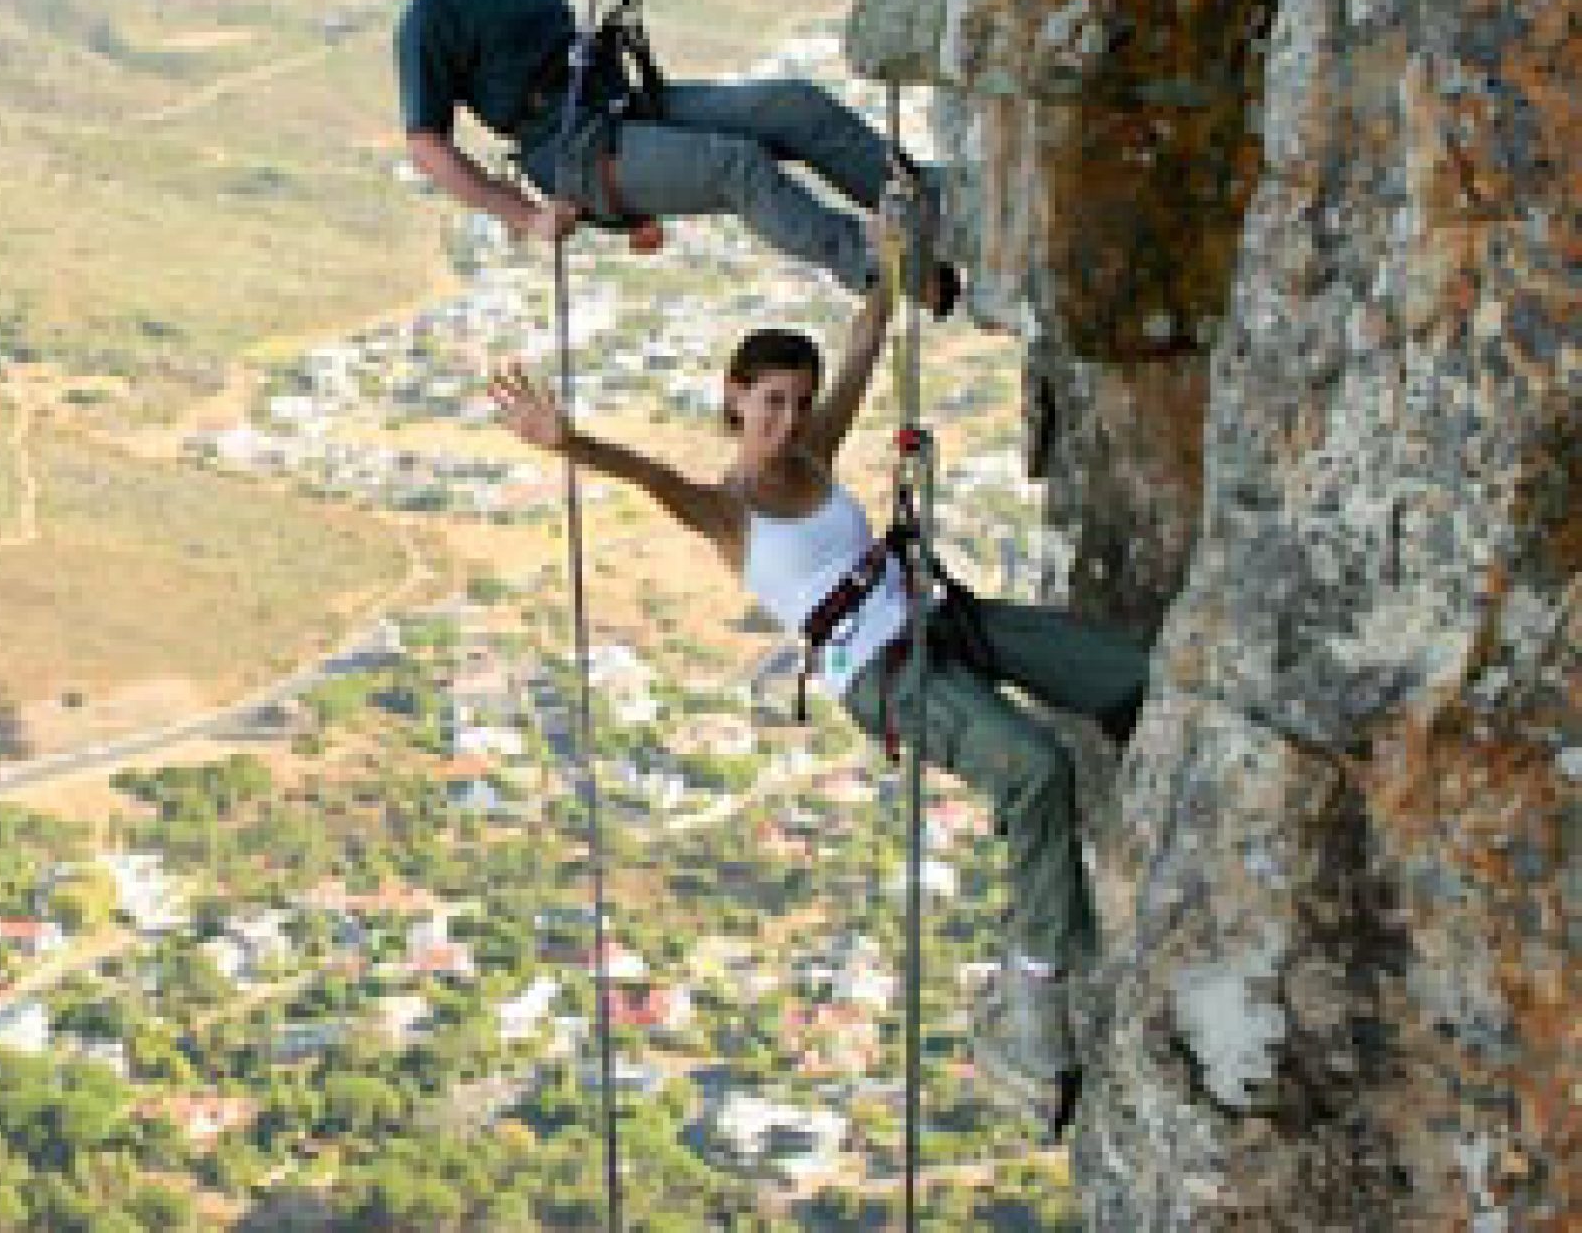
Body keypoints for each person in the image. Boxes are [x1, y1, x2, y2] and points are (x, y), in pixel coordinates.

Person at [484, 212, 1146, 1108]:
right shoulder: (731, 511)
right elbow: (649, 477)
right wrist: (564, 442)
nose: (789, 420)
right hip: (885, 676)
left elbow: (868, 342)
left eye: (798, 401)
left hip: (937, 619)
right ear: (734, 402)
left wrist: (890, 253)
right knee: (1034, 769)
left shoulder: (817, 455)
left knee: (1134, 674)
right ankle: (1038, 989)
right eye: (770, 405)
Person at [397, 0, 959, 312]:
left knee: (792, 105)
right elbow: (427, 146)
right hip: (578, 156)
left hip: (621, 108)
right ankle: (886, 269)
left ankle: (932, 202)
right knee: (737, 167)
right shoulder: (432, 16)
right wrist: (524, 216)